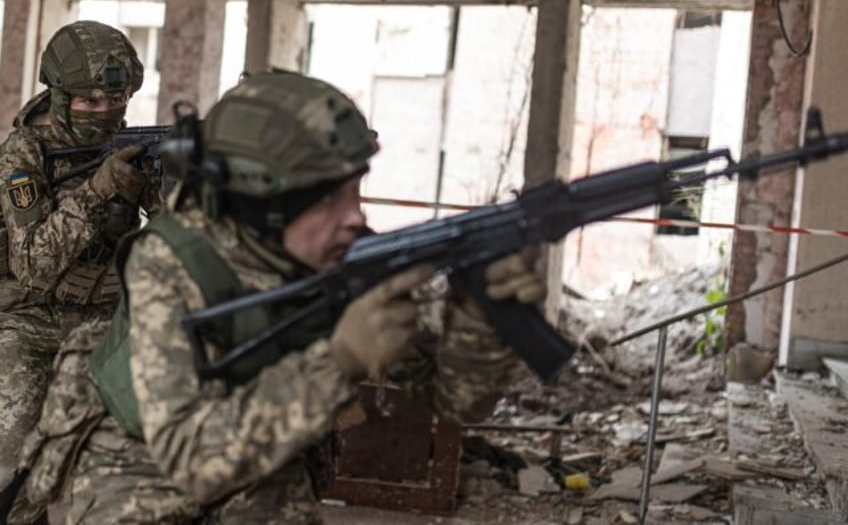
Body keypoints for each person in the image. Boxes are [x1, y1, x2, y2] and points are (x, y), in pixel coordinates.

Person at [16, 70, 544, 523]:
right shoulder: (174, 259)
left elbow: (456, 400)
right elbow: (189, 455)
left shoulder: (334, 248)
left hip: (259, 442)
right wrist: (340, 360)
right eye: (327, 198)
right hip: (137, 460)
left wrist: (480, 319)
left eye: (354, 187)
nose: (356, 217)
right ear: (260, 201)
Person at [0, 20, 159, 523]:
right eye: (89, 102)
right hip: (28, 321)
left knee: (130, 458)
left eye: (116, 101)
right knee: (12, 463)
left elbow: (176, 234)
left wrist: (178, 182)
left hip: (103, 321)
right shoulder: (23, 156)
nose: (105, 113)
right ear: (61, 96)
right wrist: (98, 190)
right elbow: (33, 266)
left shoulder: (131, 144)